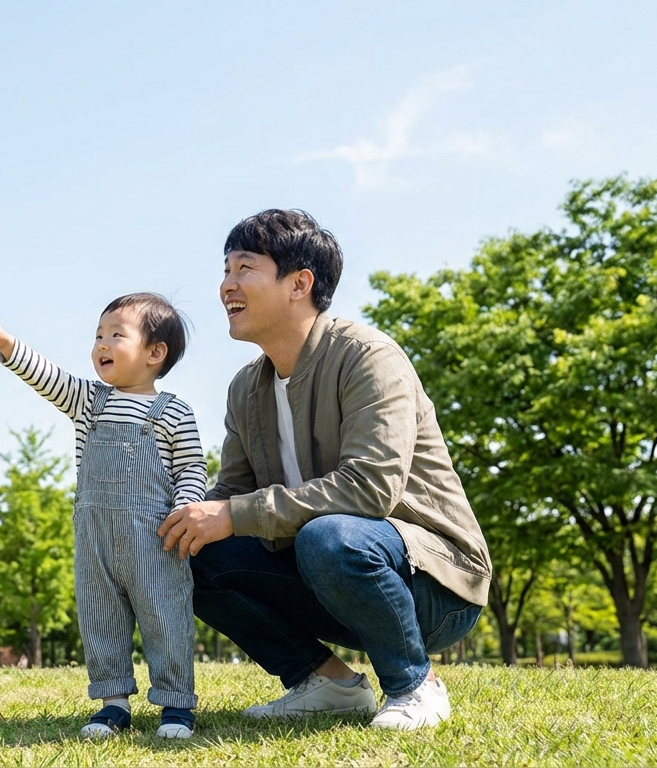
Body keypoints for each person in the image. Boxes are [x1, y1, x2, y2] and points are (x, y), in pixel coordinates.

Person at [157, 209, 491, 731]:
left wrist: (233, 512)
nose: (227, 285)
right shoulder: (246, 387)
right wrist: (186, 515)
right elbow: (230, 496)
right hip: (326, 572)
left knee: (329, 536)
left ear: (299, 283)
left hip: (433, 583)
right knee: (190, 549)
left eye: (244, 268)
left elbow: (370, 489)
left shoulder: (367, 357)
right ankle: (328, 683)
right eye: (225, 270)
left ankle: (414, 685)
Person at [0, 294, 206, 739]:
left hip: (157, 538)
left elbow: (192, 467)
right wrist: (7, 345)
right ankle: (113, 702)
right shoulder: (89, 401)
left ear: (155, 353)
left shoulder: (174, 411)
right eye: (99, 334)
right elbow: (49, 377)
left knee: (166, 619)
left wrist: (186, 509)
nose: (102, 343)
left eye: (117, 335)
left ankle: (176, 705)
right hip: (95, 537)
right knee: (100, 618)